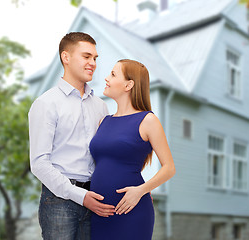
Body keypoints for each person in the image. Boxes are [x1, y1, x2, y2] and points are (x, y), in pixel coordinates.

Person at [28, 32, 116, 240]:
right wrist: (80, 196)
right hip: (59, 202)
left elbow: (105, 156)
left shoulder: (101, 106)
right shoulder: (46, 103)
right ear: (66, 58)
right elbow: (39, 163)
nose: (93, 63)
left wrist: (138, 185)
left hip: (96, 198)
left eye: (95, 58)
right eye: (86, 57)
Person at [89, 59, 176, 239]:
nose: (106, 78)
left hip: (132, 212)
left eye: (113, 74)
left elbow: (169, 168)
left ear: (129, 84)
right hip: (98, 213)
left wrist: (141, 190)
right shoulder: (103, 121)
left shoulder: (148, 120)